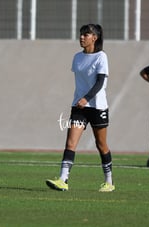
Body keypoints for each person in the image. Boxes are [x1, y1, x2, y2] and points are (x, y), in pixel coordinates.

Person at [46, 24, 114, 192]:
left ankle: (109, 182)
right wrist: (81, 100)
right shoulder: (77, 57)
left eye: (86, 34)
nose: (82, 37)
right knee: (70, 142)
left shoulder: (101, 57)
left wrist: (87, 98)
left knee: (101, 145)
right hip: (79, 107)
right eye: (81, 34)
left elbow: (100, 83)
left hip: (97, 107)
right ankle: (63, 180)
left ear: (94, 38)